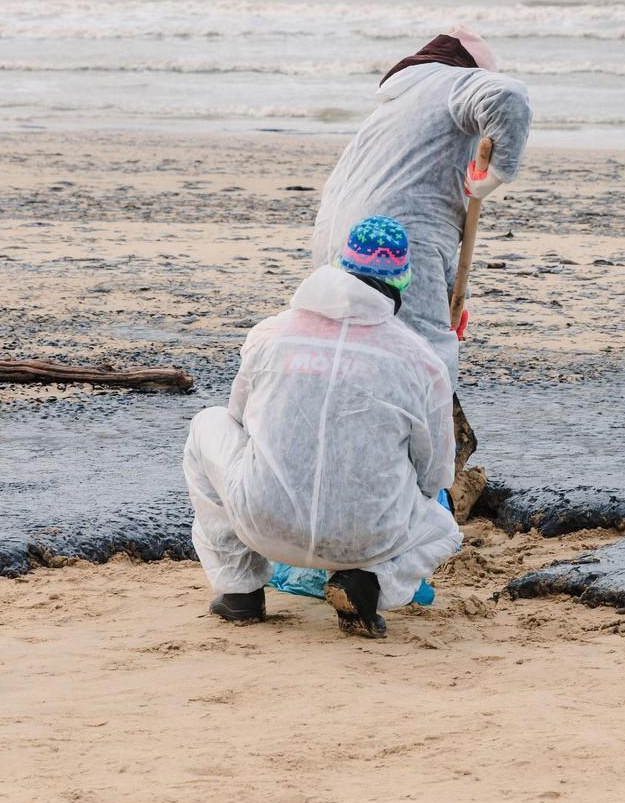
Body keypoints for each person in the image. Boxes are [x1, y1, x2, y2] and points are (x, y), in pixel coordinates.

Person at [183, 216, 461, 637]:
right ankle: (367, 583)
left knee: (209, 423)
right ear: (403, 282)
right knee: (443, 529)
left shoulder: (270, 334)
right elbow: (436, 474)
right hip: (367, 539)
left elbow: (238, 421)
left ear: (341, 267)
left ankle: (240, 590)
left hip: (263, 523)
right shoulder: (421, 361)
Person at [310, 25, 532, 392]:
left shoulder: (397, 104)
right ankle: (430, 441)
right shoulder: (454, 82)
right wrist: (496, 174)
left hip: (337, 239)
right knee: (425, 357)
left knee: (356, 350)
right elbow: (509, 95)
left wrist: (452, 297)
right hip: (397, 236)